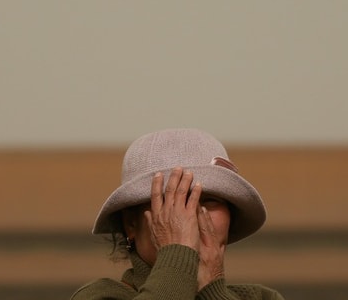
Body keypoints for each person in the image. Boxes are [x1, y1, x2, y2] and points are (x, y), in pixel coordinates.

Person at [71, 128, 285, 300]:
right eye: (174, 201)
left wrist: (212, 289)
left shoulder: (263, 297)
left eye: (211, 200)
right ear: (131, 224)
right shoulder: (99, 295)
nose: (194, 214)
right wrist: (178, 256)